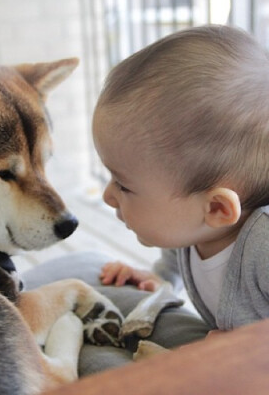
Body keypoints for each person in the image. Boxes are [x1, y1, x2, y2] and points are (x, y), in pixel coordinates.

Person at [93, 25, 269, 334]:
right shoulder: (190, 225)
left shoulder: (262, 248)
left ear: (216, 208)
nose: (108, 196)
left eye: (123, 185)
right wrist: (159, 280)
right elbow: (176, 262)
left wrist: (244, 355)